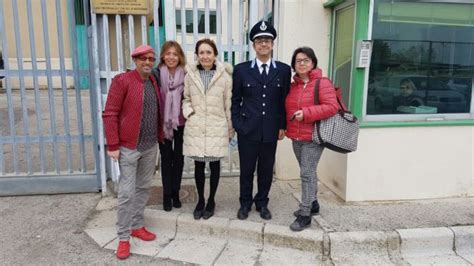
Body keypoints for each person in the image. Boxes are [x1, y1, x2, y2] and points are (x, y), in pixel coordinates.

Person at [102, 45, 163, 260]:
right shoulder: (122, 81)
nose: (148, 62)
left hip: (149, 146)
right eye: (143, 59)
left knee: (144, 188)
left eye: (151, 59)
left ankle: (137, 225)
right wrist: (112, 145)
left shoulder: (153, 81)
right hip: (128, 147)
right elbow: (110, 113)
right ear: (135, 60)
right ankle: (123, 237)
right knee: (127, 193)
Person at [231, 20, 291, 221]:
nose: (263, 44)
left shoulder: (283, 70)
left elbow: (285, 99)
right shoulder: (241, 70)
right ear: (254, 45)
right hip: (248, 130)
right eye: (259, 41)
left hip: (271, 131)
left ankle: (262, 202)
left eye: (267, 40)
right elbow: (235, 99)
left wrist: (283, 125)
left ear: (272, 44)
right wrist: (238, 124)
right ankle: (245, 203)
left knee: (266, 171)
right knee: (246, 170)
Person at [285, 47, 338, 231]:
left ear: (313, 62)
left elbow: (332, 107)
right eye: (298, 60)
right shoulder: (294, 85)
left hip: (314, 136)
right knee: (308, 171)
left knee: (306, 174)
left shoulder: (322, 83)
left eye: (306, 60)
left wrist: (306, 113)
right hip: (296, 136)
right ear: (294, 65)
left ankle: (305, 213)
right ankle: (314, 203)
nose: (302, 63)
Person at [182, 38, 234, 220]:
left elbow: (228, 105)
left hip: (216, 126)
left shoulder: (225, 77)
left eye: (209, 52)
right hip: (197, 127)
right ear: (197, 55)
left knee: (214, 165)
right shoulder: (190, 75)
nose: (205, 56)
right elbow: (186, 98)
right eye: (201, 53)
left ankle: (211, 200)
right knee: (198, 166)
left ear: (215, 55)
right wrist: (189, 113)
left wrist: (229, 129)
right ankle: (201, 201)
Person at [152, 41, 186, 212]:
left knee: (179, 159)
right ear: (163, 56)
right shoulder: (156, 74)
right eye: (168, 53)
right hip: (164, 123)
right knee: (166, 160)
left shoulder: (186, 74)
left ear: (180, 56)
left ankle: (176, 192)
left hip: (182, 123)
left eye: (175, 54)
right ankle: (166, 195)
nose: (171, 57)